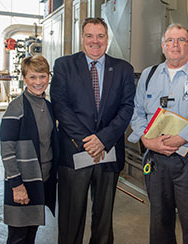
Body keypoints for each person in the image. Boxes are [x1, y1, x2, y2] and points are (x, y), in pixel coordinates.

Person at [128, 23, 188, 244]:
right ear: (163, 46)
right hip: (156, 161)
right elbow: (136, 112)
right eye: (170, 40)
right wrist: (148, 141)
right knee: (159, 224)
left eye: (181, 40)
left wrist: (181, 138)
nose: (175, 45)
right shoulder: (149, 75)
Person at [50, 17, 135, 244]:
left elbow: (127, 107)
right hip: (75, 152)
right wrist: (88, 141)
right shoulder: (64, 65)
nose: (95, 41)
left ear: (107, 39)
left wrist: (103, 139)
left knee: (103, 220)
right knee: (71, 218)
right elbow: (60, 105)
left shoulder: (123, 69)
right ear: (82, 38)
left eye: (100, 36)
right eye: (89, 36)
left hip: (108, 154)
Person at [0, 55, 59, 244]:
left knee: (31, 232)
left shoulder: (48, 106)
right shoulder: (16, 108)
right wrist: (16, 185)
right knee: (18, 236)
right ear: (24, 78)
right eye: (33, 77)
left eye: (42, 76)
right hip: (22, 182)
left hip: (40, 180)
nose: (38, 82)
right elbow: (7, 150)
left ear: (48, 77)